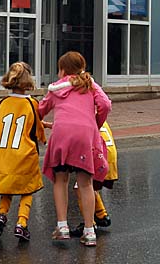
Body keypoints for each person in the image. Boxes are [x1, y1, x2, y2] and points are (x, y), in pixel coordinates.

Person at [38, 51, 111, 247]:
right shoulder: (90, 85)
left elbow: (39, 110)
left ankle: (62, 227)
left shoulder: (55, 89)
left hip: (62, 134)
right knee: (86, 183)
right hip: (85, 136)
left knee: (61, 180)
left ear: (62, 70)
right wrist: (96, 122)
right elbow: (105, 104)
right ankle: (89, 231)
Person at [0, 62, 46, 241]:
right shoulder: (32, 104)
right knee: (26, 190)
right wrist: (44, 139)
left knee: (8, 188)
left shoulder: (3, 103)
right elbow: (37, 131)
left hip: (4, 155)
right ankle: (21, 223)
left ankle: (1, 214)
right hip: (24, 154)